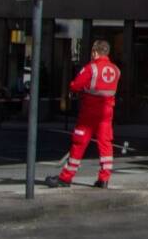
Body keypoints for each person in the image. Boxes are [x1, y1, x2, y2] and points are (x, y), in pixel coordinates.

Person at [45, 40, 121, 189]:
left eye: (92, 52)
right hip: (106, 113)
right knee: (105, 144)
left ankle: (66, 178)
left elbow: (75, 85)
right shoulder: (116, 70)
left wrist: (80, 88)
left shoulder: (91, 68)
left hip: (89, 112)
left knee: (79, 143)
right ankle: (104, 179)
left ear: (95, 52)